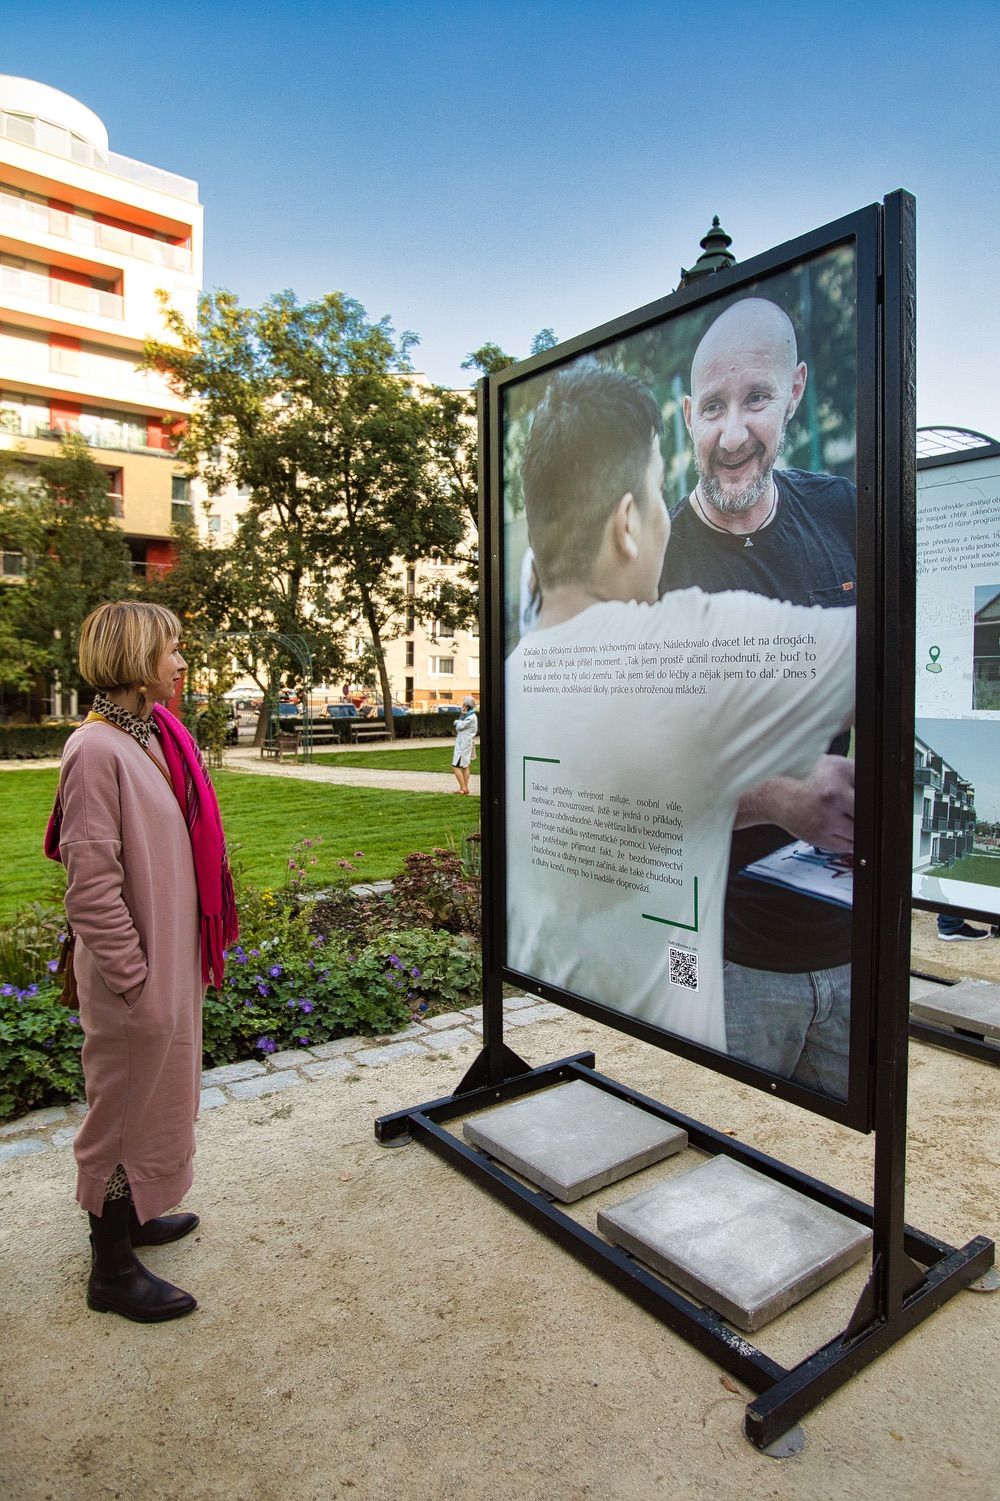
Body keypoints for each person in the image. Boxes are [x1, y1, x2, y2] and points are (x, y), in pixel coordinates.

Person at [505, 361, 855, 1051]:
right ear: (630, 523)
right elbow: (884, 652)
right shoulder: (679, 635)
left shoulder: (523, 670)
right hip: (731, 964)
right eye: (659, 492)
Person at [659, 298, 856, 1098]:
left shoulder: (845, 510)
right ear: (687, 416)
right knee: (729, 1171)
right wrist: (782, 796)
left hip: (853, 946)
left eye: (757, 399)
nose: (733, 435)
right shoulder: (655, 567)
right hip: (733, 958)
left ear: (797, 391)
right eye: (713, 407)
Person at [44, 600, 238, 1323]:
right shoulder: (95, 750)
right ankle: (112, 1270)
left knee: (155, 1102)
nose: (182, 662)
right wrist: (137, 982)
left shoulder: (154, 734)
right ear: (134, 659)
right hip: (137, 978)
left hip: (165, 966)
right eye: (172, 650)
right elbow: (90, 886)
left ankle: (135, 1216)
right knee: (119, 1117)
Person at [452, 696, 478, 793]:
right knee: (465, 766)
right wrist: (461, 718)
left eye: (463, 705)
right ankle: (465, 788)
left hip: (463, 745)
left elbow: (459, 726)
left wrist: (459, 719)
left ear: (467, 706)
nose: (462, 707)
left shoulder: (470, 717)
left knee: (456, 766)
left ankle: (463, 788)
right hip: (465, 743)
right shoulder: (470, 716)